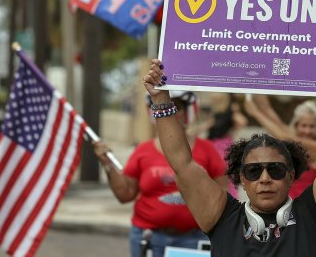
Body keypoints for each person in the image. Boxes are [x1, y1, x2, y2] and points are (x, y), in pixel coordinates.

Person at [142, 49, 316, 256]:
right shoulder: (221, 217)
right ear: (242, 178)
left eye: (276, 169)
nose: (265, 179)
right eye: (253, 171)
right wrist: (160, 99)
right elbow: (182, 164)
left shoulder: (314, 214)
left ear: (291, 175)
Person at [94, 91, 228, 257]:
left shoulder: (207, 150)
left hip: (194, 239)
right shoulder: (142, 151)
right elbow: (125, 194)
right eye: (164, 107)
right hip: (149, 238)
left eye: (176, 107)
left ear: (187, 112)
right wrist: (107, 165)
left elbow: (221, 199)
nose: (171, 112)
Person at [244, 94, 316, 198]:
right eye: (304, 125)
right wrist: (260, 91)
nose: (307, 131)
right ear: (296, 126)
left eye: (312, 126)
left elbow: (283, 137)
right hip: (287, 202)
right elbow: (273, 117)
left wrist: (255, 113)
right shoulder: (293, 140)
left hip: (306, 204)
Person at [206, 94, 248, 197]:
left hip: (223, 145)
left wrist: (233, 129)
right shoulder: (217, 113)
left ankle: (231, 199)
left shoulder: (230, 111)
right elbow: (209, 126)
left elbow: (242, 121)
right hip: (212, 145)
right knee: (215, 174)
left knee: (226, 174)